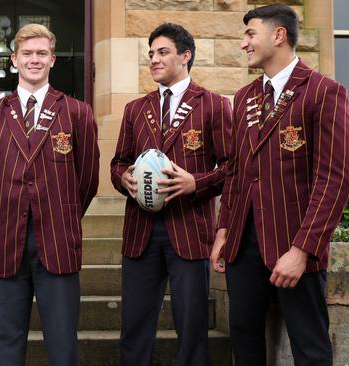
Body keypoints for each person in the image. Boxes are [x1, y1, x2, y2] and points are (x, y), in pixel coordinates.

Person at [210, 4, 349, 365]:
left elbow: (334, 178)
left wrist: (303, 250)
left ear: (278, 35)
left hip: (294, 243)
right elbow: (237, 170)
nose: (244, 43)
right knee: (244, 340)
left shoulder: (324, 92)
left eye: (249, 34)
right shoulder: (244, 97)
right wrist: (225, 228)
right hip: (243, 245)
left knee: (310, 346)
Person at [0, 23, 100, 366]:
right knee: (7, 340)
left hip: (58, 238)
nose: (34, 59)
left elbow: (87, 178)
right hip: (7, 236)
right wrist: (3, 209)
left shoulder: (77, 112)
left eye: (42, 53)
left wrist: (64, 212)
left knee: (62, 341)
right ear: (14, 59)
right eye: (27, 53)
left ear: (53, 60)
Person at [110, 23, 232, 365]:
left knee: (192, 327)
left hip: (190, 230)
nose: (154, 59)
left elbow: (231, 168)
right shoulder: (135, 109)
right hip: (140, 233)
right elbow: (117, 162)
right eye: (151, 54)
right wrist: (125, 180)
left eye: (162, 52)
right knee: (134, 326)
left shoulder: (213, 105)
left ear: (185, 56)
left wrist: (197, 183)